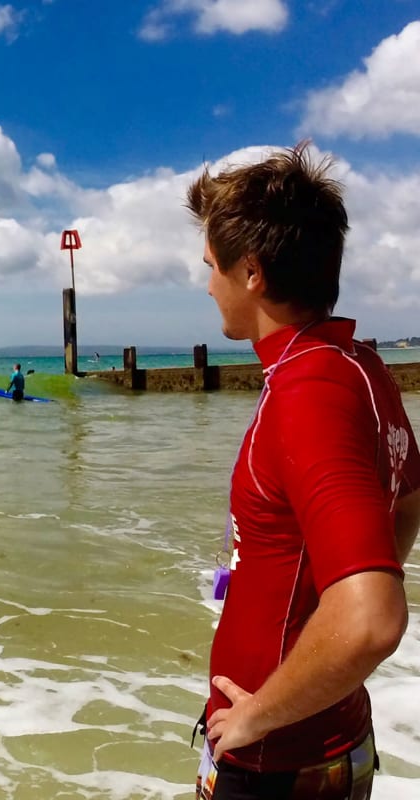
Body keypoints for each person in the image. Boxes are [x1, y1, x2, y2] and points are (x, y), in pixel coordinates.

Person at [186, 143, 420, 799]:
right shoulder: (354, 366)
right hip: (320, 741)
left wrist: (260, 713)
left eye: (212, 267)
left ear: (253, 272)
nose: (207, 285)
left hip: (278, 764)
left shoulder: (308, 393)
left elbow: (373, 618)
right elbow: (406, 502)